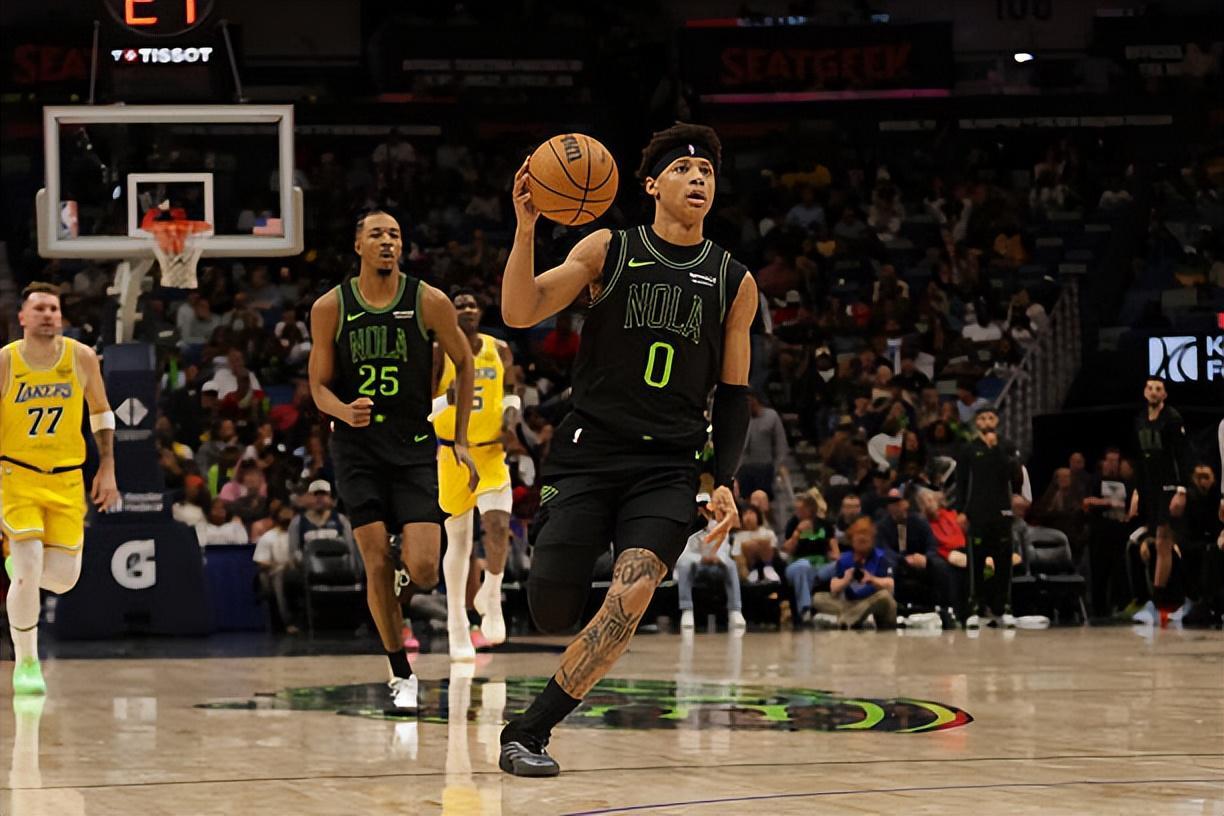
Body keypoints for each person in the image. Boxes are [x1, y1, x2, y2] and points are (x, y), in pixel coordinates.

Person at [497, 123, 757, 776]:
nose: (698, 179)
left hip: (668, 465)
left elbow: (733, 395)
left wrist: (722, 478)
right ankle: (558, 541)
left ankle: (529, 731)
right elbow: (521, 310)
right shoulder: (609, 249)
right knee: (551, 608)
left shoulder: (733, 280)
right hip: (588, 450)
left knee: (634, 591)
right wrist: (526, 228)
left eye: (707, 172)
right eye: (683, 170)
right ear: (651, 185)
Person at [308, 209, 478, 710]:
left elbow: (465, 361)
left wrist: (461, 439)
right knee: (375, 559)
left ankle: (399, 578)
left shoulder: (428, 300)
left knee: (425, 569)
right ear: (358, 245)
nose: (388, 241)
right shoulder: (330, 306)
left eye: (396, 234)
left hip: (412, 443)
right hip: (357, 447)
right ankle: (401, 673)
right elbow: (318, 386)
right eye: (377, 234)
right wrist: (343, 410)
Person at [2, 282, 119, 695]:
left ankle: (18, 569)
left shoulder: (81, 357)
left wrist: (107, 466)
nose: (48, 315)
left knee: (64, 579)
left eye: (53, 308)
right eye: (39, 309)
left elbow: (101, 412)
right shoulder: (6, 361)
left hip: (68, 478)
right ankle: (27, 662)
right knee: (29, 563)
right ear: (22, 317)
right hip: (16, 476)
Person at [432, 289, 520, 661]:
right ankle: (457, 622)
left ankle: (492, 594)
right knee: (459, 542)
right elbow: (421, 408)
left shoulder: (499, 349)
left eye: (472, 304)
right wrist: (446, 400)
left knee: (498, 526)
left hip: (490, 452)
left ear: (480, 312)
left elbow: (512, 391)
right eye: (460, 305)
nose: (467, 309)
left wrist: (512, 417)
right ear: (449, 313)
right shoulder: (439, 351)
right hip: (452, 452)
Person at [951, 406, 1023, 629]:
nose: (987, 422)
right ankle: (974, 608)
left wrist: (996, 449)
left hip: (1002, 513)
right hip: (977, 514)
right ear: (977, 423)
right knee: (977, 564)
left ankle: (1003, 608)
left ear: (997, 421)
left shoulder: (1007, 446)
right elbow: (961, 482)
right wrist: (961, 511)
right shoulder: (968, 449)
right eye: (982, 418)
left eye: (991, 417)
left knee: (1003, 563)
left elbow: (1013, 474)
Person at [1128, 377, 1189, 625]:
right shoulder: (1140, 420)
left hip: (1169, 486)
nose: (1154, 392)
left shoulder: (1172, 418)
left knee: (1164, 541)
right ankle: (1170, 599)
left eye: (1158, 389)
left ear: (1164, 394)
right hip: (1150, 488)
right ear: (1145, 392)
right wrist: (1137, 492)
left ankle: (1158, 601)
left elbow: (1182, 455)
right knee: (1161, 542)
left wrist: (1182, 490)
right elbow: (1139, 460)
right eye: (1150, 388)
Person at [675, 492, 746, 633]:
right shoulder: (687, 529)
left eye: (705, 507)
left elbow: (724, 550)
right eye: (699, 507)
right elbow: (683, 556)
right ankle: (687, 610)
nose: (702, 511)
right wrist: (701, 558)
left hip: (716, 568)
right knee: (684, 566)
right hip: (695, 569)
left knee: (731, 565)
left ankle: (735, 610)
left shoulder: (719, 526)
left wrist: (717, 558)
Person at [811, 517, 897, 629]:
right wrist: (846, 580)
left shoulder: (880, 557)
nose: (862, 537)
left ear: (872, 539)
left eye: (865, 534)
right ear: (851, 539)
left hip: (872, 601)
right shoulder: (844, 559)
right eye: (858, 535)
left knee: (885, 597)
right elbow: (834, 588)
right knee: (818, 598)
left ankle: (849, 618)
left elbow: (890, 585)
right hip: (850, 603)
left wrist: (872, 579)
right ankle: (855, 616)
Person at [253, 504, 301, 634]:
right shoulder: (268, 537)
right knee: (279, 577)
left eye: (290, 514)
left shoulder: (297, 536)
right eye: (284, 514)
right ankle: (287, 621)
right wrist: (279, 566)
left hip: (297, 570)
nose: (287, 517)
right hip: (276, 571)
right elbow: (261, 562)